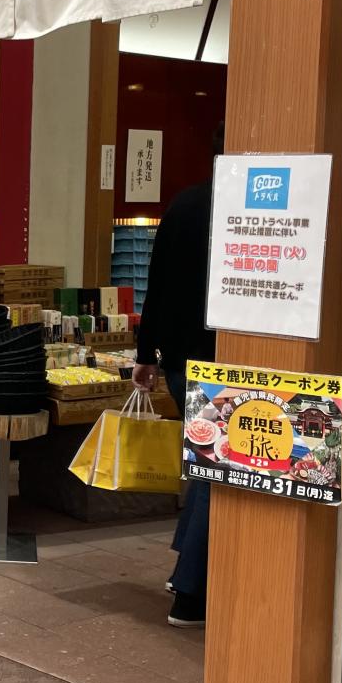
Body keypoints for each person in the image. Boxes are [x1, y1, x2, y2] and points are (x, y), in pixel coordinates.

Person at [134, 124, 223, 628]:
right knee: (216, 475)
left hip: (177, 360)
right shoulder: (251, 215)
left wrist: (146, 353)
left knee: (204, 466)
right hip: (223, 361)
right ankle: (189, 593)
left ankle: (181, 571)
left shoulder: (185, 205)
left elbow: (157, 281)